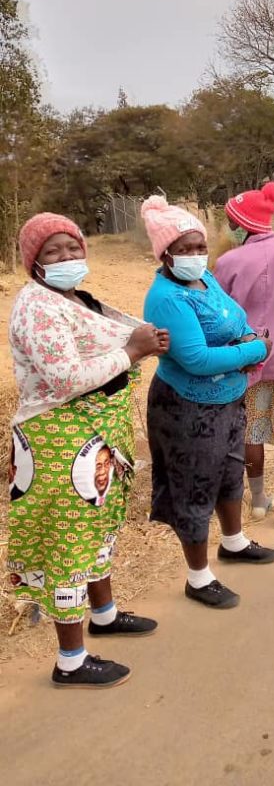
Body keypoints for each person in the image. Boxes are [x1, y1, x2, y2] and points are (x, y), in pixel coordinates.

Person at [8, 212, 168, 688]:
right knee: (69, 545)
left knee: (95, 533)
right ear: (34, 262)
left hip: (93, 437)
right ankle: (71, 661)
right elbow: (65, 380)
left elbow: (114, 335)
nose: (66, 257)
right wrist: (134, 351)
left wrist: (142, 339)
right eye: (52, 252)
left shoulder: (73, 298)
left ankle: (104, 613)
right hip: (60, 441)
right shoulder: (37, 306)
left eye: (72, 248)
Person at [142, 196, 274, 612]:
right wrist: (253, 351)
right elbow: (196, 359)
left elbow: (235, 319)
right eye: (185, 249)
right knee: (195, 486)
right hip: (188, 407)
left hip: (228, 399)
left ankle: (233, 542)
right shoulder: (167, 298)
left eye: (200, 246)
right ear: (165, 254)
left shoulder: (206, 281)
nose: (196, 256)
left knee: (229, 472)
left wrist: (249, 340)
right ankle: (198, 577)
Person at [215, 183, 274, 529]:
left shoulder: (227, 261)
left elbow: (219, 308)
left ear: (241, 223)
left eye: (231, 221)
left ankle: (257, 502)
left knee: (252, 430)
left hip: (247, 358)